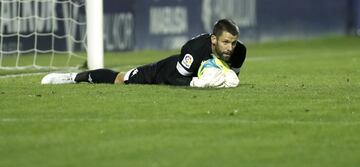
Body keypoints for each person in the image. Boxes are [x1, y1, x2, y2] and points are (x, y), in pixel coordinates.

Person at [41, 19, 246, 88]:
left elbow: (231, 77)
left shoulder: (239, 51)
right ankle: (74, 77)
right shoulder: (194, 49)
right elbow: (174, 79)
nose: (230, 47)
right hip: (165, 71)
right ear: (214, 40)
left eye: (233, 43)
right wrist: (196, 83)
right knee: (121, 79)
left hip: (191, 76)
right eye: (226, 42)